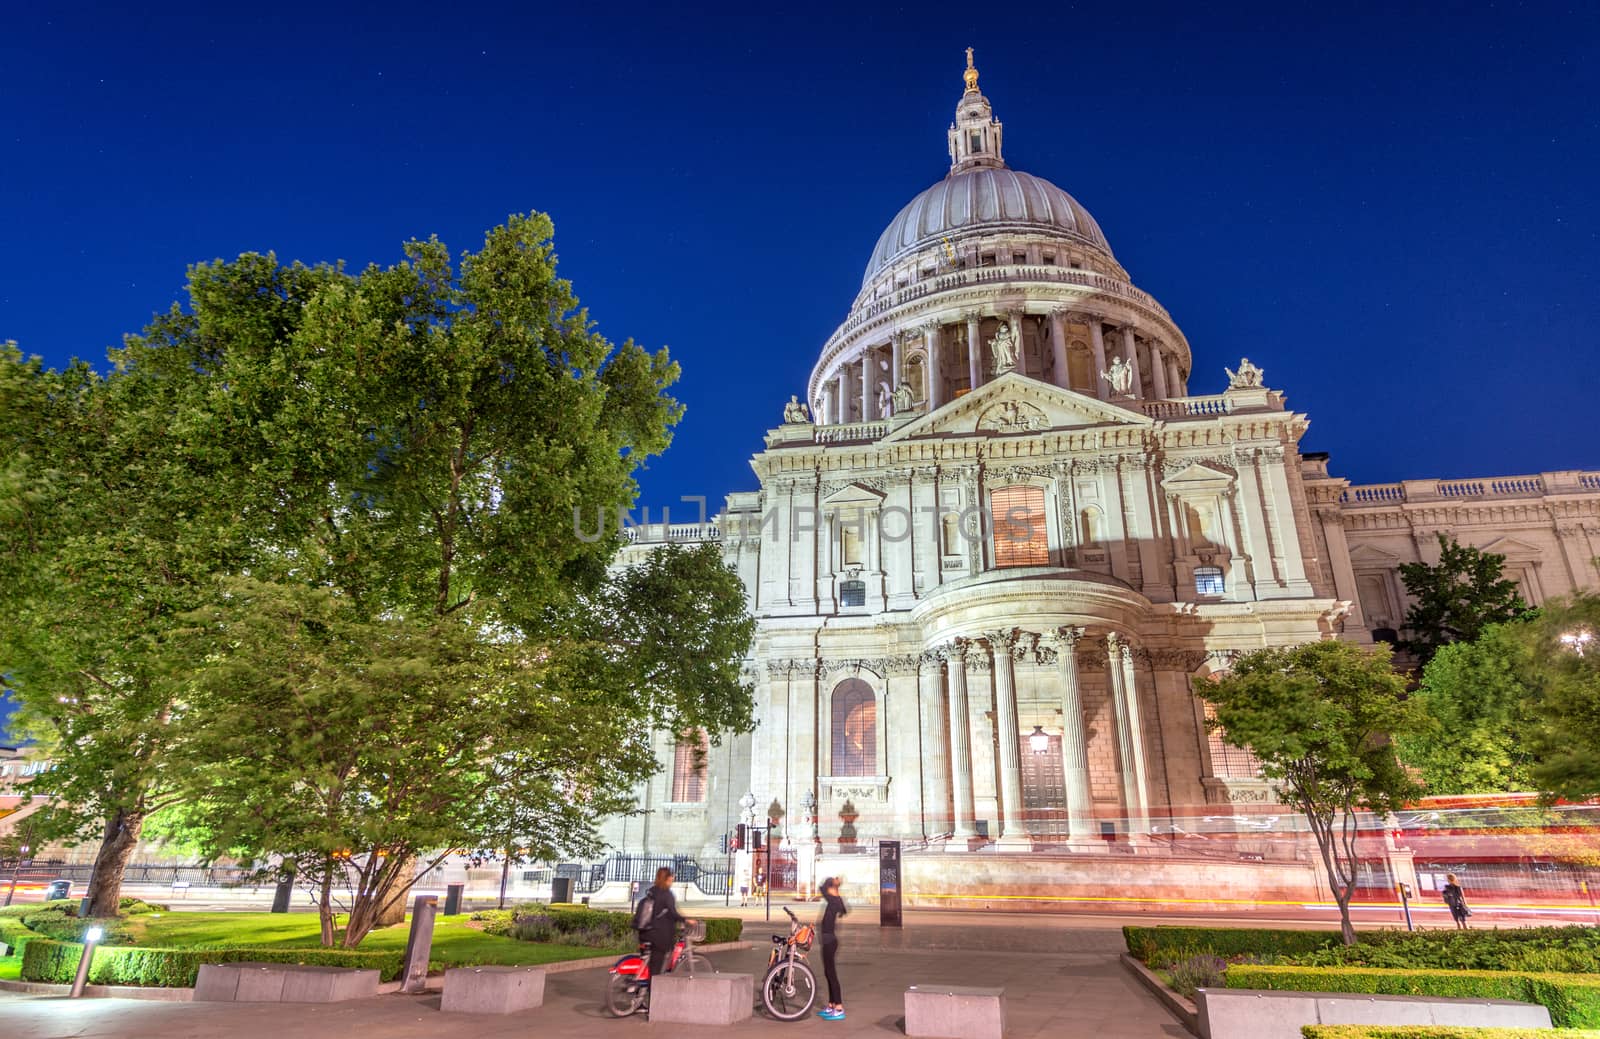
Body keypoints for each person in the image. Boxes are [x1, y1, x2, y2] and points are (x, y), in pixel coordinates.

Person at [637, 867, 697, 990]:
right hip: (658, 936)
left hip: (645, 933)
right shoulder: (666, 894)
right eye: (672, 877)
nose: (673, 879)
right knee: (656, 970)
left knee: (650, 965)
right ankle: (651, 1000)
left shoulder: (651, 891)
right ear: (668, 878)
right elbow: (673, 913)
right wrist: (686, 920)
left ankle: (641, 995)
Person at [817, 875, 848, 1020]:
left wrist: (833, 882)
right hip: (828, 941)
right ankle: (831, 1005)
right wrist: (836, 885)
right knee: (828, 973)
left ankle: (839, 1007)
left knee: (832, 974)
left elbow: (821, 888)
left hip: (830, 942)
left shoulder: (833, 900)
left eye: (829, 887)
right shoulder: (836, 900)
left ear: (831, 889)